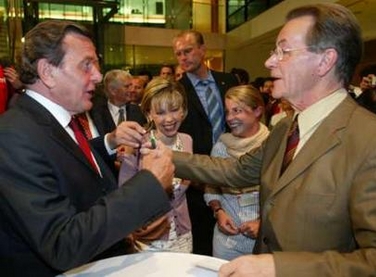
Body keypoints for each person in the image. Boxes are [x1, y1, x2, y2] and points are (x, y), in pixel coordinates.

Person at [165, 3, 376, 276]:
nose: (269, 62)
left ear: (325, 61)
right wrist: (165, 155)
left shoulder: (371, 140)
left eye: (283, 51)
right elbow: (236, 170)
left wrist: (279, 267)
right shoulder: (284, 129)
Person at [0, 20, 174, 277]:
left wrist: (109, 142)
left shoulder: (49, 119)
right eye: (86, 65)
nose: (98, 75)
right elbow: (62, 243)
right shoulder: (12, 136)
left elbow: (64, 160)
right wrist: (149, 183)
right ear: (48, 72)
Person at [172, 30, 239, 255]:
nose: (183, 58)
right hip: (197, 178)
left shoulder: (228, 81)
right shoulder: (177, 90)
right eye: (178, 54)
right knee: (202, 243)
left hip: (232, 174)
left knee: (233, 236)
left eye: (188, 51)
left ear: (203, 50)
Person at [118, 77, 193, 253]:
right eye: (160, 112)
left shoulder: (187, 140)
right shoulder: (136, 145)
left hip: (183, 232)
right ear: (148, 114)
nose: (169, 119)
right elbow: (123, 194)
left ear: (183, 110)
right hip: (150, 238)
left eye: (174, 110)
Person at [204, 85, 269, 260]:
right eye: (227, 112)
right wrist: (218, 211)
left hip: (262, 243)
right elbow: (211, 186)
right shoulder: (221, 147)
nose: (230, 118)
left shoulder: (272, 146)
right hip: (226, 242)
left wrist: (263, 223)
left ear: (258, 111)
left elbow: (283, 195)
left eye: (237, 111)